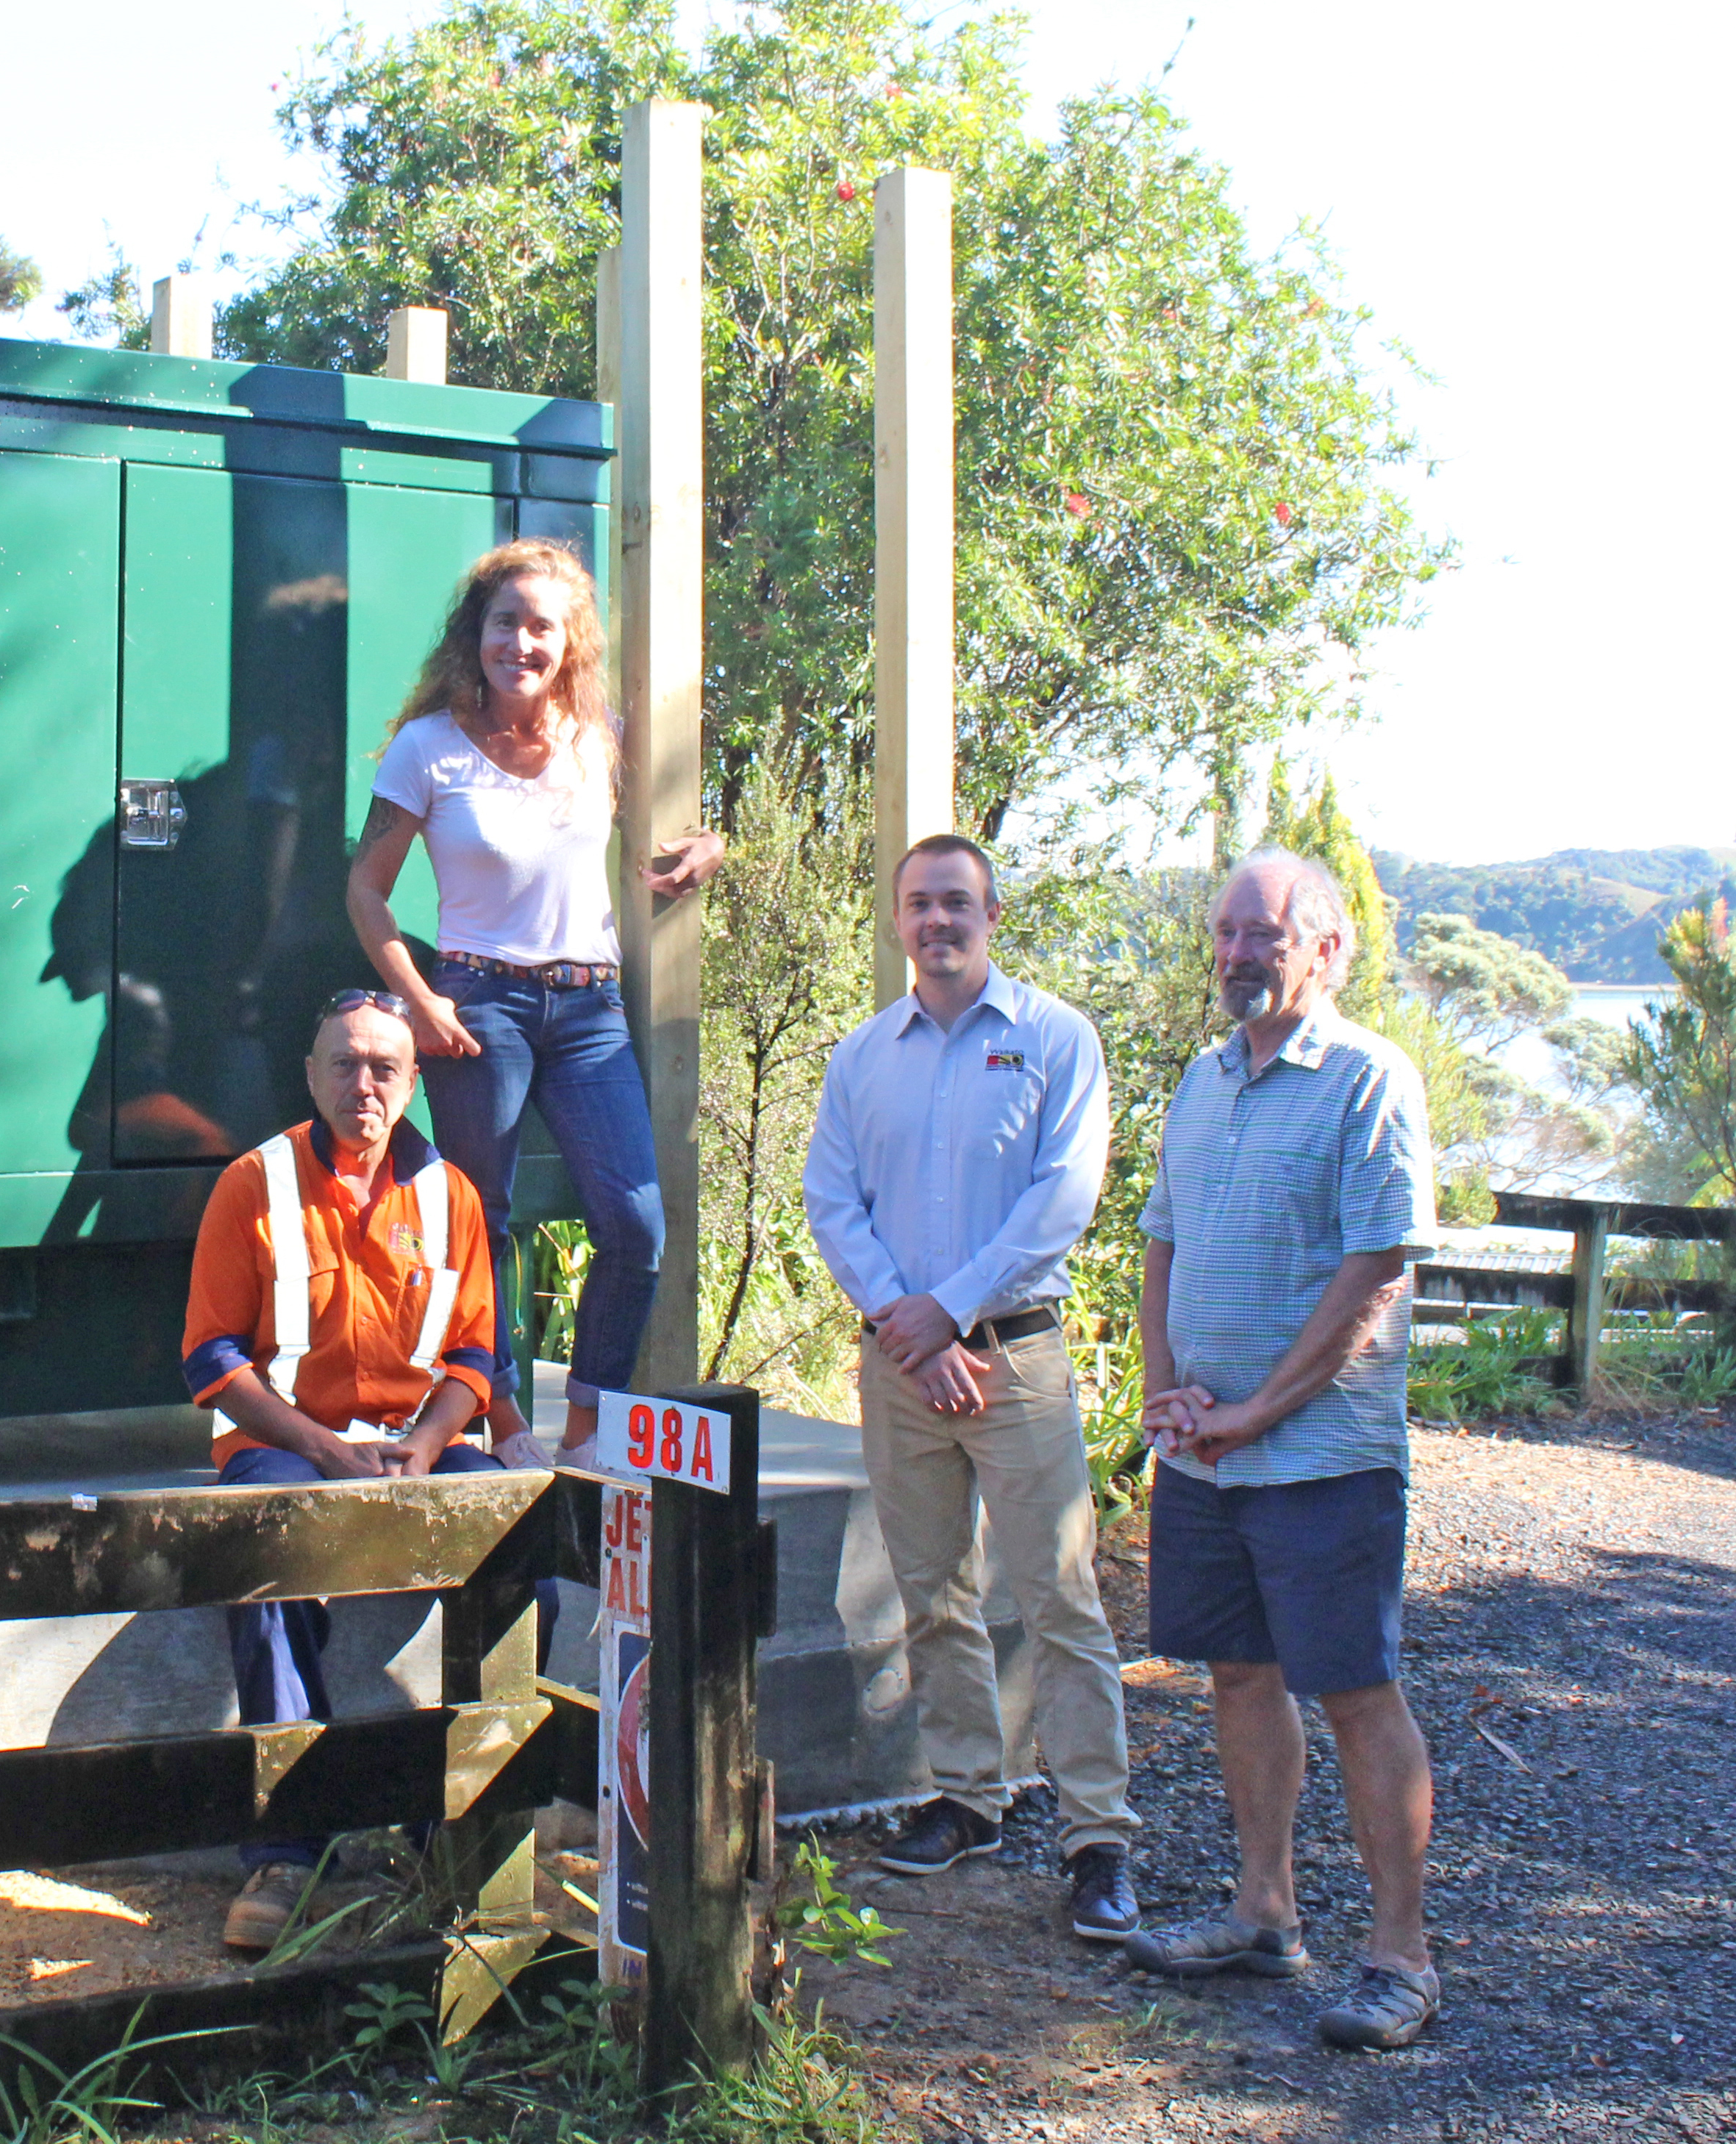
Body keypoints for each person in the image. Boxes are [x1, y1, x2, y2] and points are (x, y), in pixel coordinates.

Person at [1121, 848, 1445, 2052]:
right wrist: (1162, 1390)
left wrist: (1256, 1411)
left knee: (1355, 1692)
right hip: (1204, 1456)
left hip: (1322, 1460)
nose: (1237, 953)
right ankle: (1264, 1913)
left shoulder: (1369, 1079)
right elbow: (1159, 1241)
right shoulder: (1202, 1082)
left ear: (1326, 949)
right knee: (1238, 1675)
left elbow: (1376, 1271)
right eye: (1225, 932)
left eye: (1263, 933)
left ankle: (1401, 1957)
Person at [801, 834, 1140, 1943]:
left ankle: (1097, 1838)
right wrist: (911, 1323)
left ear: (992, 914)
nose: (937, 921)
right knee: (931, 1589)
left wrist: (948, 1309)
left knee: (1058, 1597)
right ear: (898, 919)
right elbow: (832, 1200)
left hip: (1015, 1358)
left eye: (957, 902)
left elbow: (1064, 1196)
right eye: (919, 903)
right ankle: (965, 1798)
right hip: (902, 1365)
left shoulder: (1054, 1039)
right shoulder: (863, 1057)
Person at [348, 539, 724, 1458]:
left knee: (635, 1223)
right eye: (505, 622)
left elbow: (681, 821)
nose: (521, 642)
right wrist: (420, 1002)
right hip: (480, 1008)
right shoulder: (428, 747)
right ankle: (504, 1416)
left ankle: (587, 1427)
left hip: (592, 1011)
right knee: (482, 1222)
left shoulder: (602, 737)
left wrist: (713, 842)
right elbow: (365, 891)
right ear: (475, 632)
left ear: (570, 642)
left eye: (541, 627)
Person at [180, 989, 511, 1951]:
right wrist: (326, 1452)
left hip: (414, 1446)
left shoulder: (450, 1196)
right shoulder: (254, 1184)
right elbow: (212, 1360)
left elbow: (476, 1358)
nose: (363, 1084)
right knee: (265, 1546)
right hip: (288, 1443)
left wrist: (427, 1444)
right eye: (344, 1063)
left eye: (383, 1068)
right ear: (311, 1075)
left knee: (519, 1543)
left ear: (411, 1085)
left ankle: (454, 1820)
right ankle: (289, 1848)